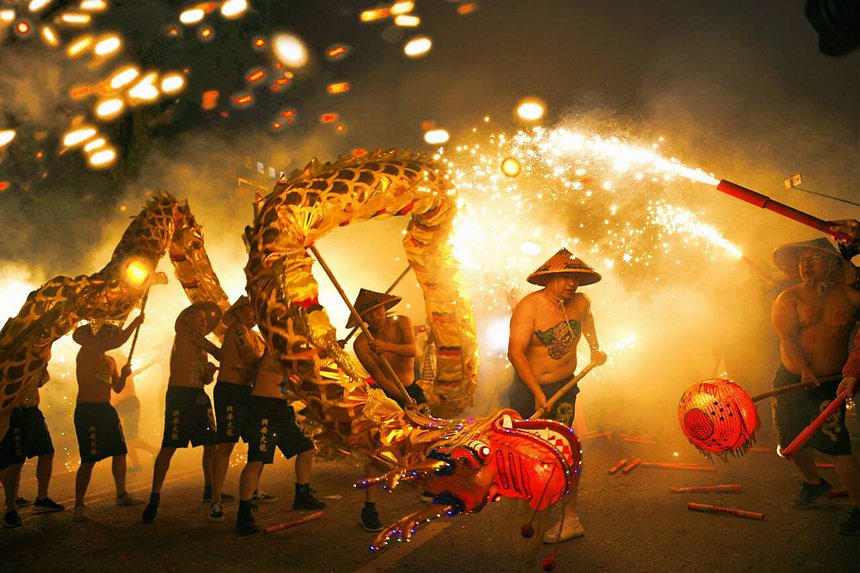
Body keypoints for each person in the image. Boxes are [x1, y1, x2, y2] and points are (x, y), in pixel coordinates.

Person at [507, 248, 606, 543]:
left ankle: (571, 517)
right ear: (549, 278)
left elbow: (587, 321)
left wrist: (595, 348)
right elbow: (514, 352)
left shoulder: (581, 302)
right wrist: (537, 392)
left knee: (567, 449)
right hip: (528, 390)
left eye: (575, 278)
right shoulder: (529, 307)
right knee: (529, 450)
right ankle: (536, 498)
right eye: (565, 277)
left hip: (564, 389)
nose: (571, 283)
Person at [770, 237, 860, 535]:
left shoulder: (851, 297)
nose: (806, 263)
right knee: (790, 441)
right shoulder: (789, 297)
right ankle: (814, 483)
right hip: (792, 380)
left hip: (830, 384)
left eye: (815, 257)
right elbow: (788, 339)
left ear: (833, 264)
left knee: (836, 445)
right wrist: (805, 371)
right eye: (802, 258)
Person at [350, 287, 424, 531]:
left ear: (385, 308)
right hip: (386, 396)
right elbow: (379, 375)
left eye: (378, 310)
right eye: (369, 314)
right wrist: (400, 401)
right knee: (376, 451)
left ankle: (432, 488)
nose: (375, 316)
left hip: (411, 390)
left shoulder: (402, 322)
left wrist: (386, 347)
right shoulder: (362, 343)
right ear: (363, 320)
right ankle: (369, 508)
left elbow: (414, 351)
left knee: (426, 440)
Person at [142, 301, 222, 524]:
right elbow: (213, 349)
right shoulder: (185, 334)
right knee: (170, 446)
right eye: (199, 318)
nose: (203, 323)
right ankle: (154, 497)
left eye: (205, 321)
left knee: (211, 443)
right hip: (180, 396)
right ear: (187, 320)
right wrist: (227, 356)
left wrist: (210, 373)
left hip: (198, 396)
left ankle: (210, 488)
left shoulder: (200, 346)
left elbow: (205, 379)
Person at [235, 351, 325, 535]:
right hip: (264, 408)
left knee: (306, 448)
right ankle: (243, 513)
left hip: (281, 409)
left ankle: (302, 494)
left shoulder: (291, 352)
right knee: (256, 460)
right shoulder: (275, 345)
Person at [72, 316, 145, 522]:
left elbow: (117, 388)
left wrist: (123, 374)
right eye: (103, 334)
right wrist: (134, 324)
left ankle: (121, 494)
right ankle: (78, 505)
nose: (107, 338)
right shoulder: (86, 354)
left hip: (106, 409)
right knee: (89, 459)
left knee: (120, 451)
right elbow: (119, 341)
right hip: (87, 411)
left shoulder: (110, 361)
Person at [209, 295, 270, 523]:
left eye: (256, 312)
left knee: (258, 440)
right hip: (231, 392)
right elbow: (253, 359)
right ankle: (215, 500)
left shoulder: (252, 334)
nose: (255, 315)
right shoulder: (239, 331)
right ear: (239, 312)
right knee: (226, 444)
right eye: (251, 311)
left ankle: (252, 490)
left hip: (246, 391)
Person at [1, 367, 64, 528]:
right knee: (15, 463)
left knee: (47, 452)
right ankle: (11, 509)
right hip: (15, 413)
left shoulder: (36, 357)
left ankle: (42, 499)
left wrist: (42, 370)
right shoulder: (10, 358)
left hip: (33, 412)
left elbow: (41, 382)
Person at [110, 356, 158, 472]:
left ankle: (155, 450)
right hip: (123, 405)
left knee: (130, 438)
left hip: (128, 404)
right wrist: (153, 361)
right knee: (127, 437)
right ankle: (136, 465)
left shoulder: (121, 373)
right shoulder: (121, 373)